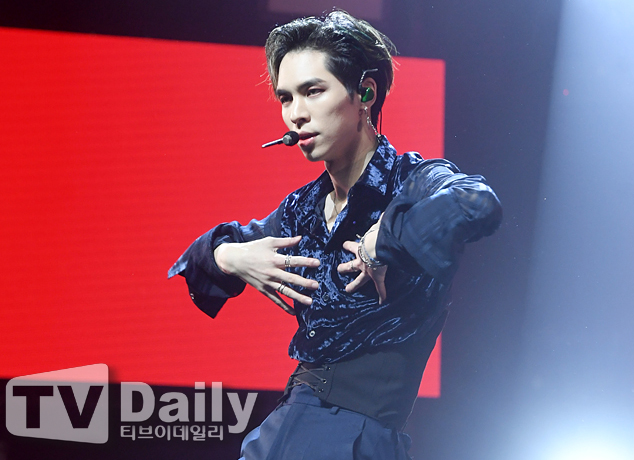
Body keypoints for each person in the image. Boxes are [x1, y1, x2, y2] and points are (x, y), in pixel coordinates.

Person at [168, 10, 502, 460]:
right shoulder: (302, 209)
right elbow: (204, 255)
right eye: (286, 98)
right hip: (289, 431)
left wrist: (382, 242)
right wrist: (231, 257)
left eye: (313, 91)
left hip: (360, 438)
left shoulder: (411, 181)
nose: (296, 114)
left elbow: (477, 203)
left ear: (365, 93)